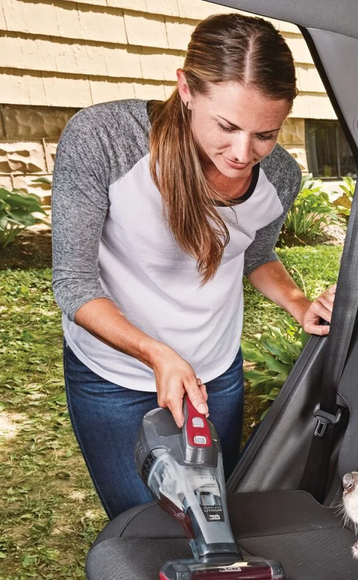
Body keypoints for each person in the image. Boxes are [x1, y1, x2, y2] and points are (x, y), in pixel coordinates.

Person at [51, 13, 335, 520]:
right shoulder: (106, 140)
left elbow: (255, 253)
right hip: (112, 377)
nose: (243, 153)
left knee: (209, 517)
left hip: (214, 373)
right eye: (226, 126)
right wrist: (156, 354)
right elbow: (73, 284)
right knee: (147, 529)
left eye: (266, 134)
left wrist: (298, 303)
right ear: (186, 89)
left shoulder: (281, 176)